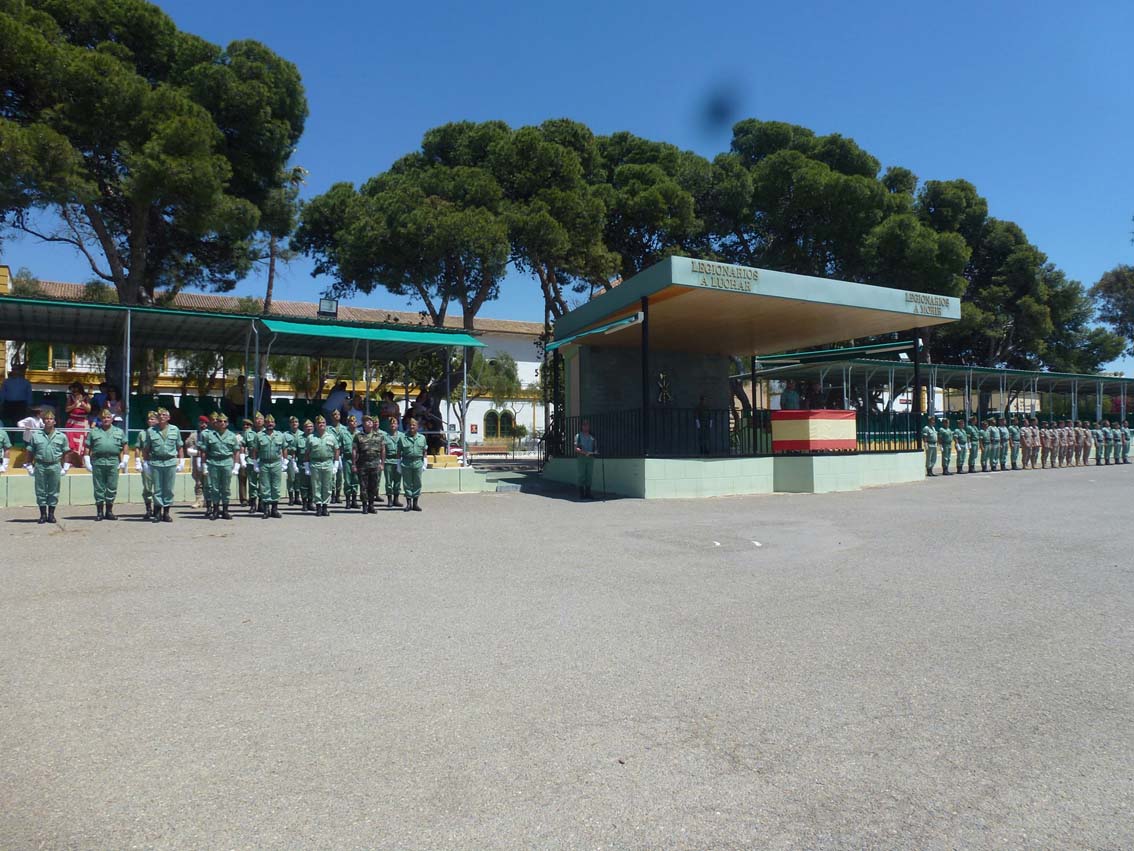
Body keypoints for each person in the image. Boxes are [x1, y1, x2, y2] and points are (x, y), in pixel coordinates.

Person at [25, 408, 68, 523]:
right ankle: (43, 515)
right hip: (40, 465)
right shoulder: (36, 435)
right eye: (46, 419)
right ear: (43, 421)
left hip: (55, 465)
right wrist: (29, 465)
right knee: (40, 490)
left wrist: (66, 466)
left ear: (55, 421)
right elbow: (30, 451)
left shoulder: (61, 436)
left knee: (54, 490)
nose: (49, 421)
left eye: (51, 419)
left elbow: (66, 452)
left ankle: (51, 514)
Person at [143, 407, 184, 523]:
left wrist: (181, 461)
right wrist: (145, 463)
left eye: (164, 415)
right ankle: (157, 513)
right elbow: (146, 448)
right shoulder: (151, 431)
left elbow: (179, 446)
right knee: (158, 489)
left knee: (169, 489)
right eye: (160, 415)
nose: (162, 417)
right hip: (156, 462)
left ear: (168, 417)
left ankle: (166, 513)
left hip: (170, 462)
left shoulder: (175, 430)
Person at [85, 408, 127, 520]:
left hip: (113, 461)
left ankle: (109, 511)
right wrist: (87, 460)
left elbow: (125, 445)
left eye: (108, 417)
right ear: (100, 419)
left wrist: (125, 459)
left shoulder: (119, 432)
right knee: (99, 487)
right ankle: (99, 512)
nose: (106, 419)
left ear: (112, 419)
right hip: (98, 461)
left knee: (112, 487)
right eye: (103, 418)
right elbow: (88, 447)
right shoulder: (94, 432)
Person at [201, 412, 241, 520]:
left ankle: (225, 510)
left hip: (227, 462)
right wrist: (204, 465)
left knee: (226, 488)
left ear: (227, 423)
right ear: (216, 423)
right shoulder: (210, 435)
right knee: (214, 488)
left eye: (224, 421)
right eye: (220, 421)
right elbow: (204, 451)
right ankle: (215, 510)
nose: (222, 423)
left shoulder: (232, 436)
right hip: (213, 462)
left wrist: (236, 465)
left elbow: (236, 451)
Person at [251, 414, 287, 519]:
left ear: (274, 424)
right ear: (265, 424)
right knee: (265, 486)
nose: (270, 424)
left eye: (272, 422)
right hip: (264, 463)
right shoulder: (259, 436)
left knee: (276, 486)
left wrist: (285, 461)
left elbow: (284, 448)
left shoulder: (280, 435)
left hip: (276, 463)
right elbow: (255, 450)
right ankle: (266, 510)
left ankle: (274, 509)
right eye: (267, 422)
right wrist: (255, 463)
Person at [305, 414, 339, 516]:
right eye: (319, 423)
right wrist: (306, 466)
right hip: (315, 463)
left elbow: (336, 450)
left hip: (328, 463)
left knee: (327, 486)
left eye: (323, 423)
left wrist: (336, 464)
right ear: (316, 425)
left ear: (326, 424)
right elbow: (307, 453)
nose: (321, 424)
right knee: (316, 486)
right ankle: (318, 507)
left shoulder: (331, 437)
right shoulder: (311, 437)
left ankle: (325, 507)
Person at [353, 414, 386, 514]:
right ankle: (364, 505)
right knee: (363, 486)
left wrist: (382, 463)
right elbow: (354, 450)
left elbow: (383, 450)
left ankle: (371, 505)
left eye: (371, 421)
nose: (370, 422)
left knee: (373, 486)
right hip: (362, 465)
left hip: (375, 465)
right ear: (363, 424)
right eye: (367, 421)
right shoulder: (358, 436)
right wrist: (354, 464)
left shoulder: (379, 436)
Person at [397, 416, 427, 512]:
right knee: (407, 483)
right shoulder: (403, 438)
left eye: (414, 425)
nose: (412, 427)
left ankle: (415, 504)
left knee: (417, 483)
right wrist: (398, 463)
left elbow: (424, 451)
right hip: (406, 463)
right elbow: (399, 451)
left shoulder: (422, 438)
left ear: (417, 426)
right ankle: (408, 503)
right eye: (410, 425)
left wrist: (425, 462)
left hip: (418, 462)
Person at [136, 410, 158, 519]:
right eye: (149, 419)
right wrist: (137, 461)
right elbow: (137, 447)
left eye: (153, 419)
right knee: (147, 487)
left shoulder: (160, 433)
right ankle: (149, 509)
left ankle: (157, 509)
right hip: (147, 463)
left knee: (158, 487)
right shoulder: (142, 433)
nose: (150, 421)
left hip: (158, 463)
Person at [185, 415, 209, 509]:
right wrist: (197, 452)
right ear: (199, 423)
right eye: (202, 423)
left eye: (205, 423)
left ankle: (208, 500)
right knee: (198, 481)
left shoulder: (210, 434)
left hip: (207, 460)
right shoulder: (194, 435)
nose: (203, 425)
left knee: (208, 481)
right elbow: (188, 446)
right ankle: (198, 500)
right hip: (196, 459)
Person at [242, 412, 265, 514]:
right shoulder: (248, 433)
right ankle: (253, 504)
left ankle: (261, 503)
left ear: (263, 421)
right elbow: (243, 446)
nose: (258, 421)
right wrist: (242, 458)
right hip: (251, 460)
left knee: (263, 483)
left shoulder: (266, 433)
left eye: (260, 419)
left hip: (263, 460)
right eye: (256, 419)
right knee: (252, 483)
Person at [63, 381, 91, 464]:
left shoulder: (86, 398)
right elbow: (67, 409)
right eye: (73, 390)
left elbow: (89, 409)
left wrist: (82, 403)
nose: (74, 392)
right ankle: (70, 460)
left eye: (75, 390)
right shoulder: (70, 397)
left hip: (82, 422)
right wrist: (75, 405)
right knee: (70, 441)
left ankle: (81, 461)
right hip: (72, 422)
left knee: (82, 442)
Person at [328, 409, 350, 504]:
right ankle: (332, 495)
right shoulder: (328, 429)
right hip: (331, 455)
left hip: (342, 455)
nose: (336, 416)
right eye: (334, 414)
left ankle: (338, 495)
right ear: (331, 417)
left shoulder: (345, 429)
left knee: (340, 477)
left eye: (338, 414)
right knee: (332, 477)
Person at [381, 415, 403, 507]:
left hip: (398, 461)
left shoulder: (402, 436)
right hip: (388, 461)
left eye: (395, 423)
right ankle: (389, 500)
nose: (393, 425)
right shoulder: (385, 436)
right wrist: (382, 462)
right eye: (391, 424)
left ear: (398, 425)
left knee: (397, 481)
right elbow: (383, 450)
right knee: (388, 482)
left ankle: (396, 500)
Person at [575, 419, 597, 496]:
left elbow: (595, 447)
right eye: (584, 425)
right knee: (582, 475)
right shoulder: (578, 436)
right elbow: (576, 448)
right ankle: (581, 493)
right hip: (582, 457)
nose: (585, 426)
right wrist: (583, 452)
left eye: (587, 425)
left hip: (590, 457)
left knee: (589, 475)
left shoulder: (592, 436)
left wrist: (595, 452)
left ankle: (588, 493)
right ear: (581, 426)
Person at [296, 419, 314, 511]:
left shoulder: (316, 438)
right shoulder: (299, 439)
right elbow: (294, 452)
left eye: (311, 427)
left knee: (312, 485)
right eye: (307, 427)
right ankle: (304, 503)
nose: (309, 428)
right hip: (302, 464)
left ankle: (310, 502)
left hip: (313, 464)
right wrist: (294, 464)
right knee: (303, 485)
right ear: (304, 428)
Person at [284, 416, 302, 505]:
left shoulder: (302, 434)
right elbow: (283, 447)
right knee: (291, 478)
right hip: (290, 458)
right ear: (290, 424)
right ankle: (291, 498)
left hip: (300, 458)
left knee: (298, 478)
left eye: (296, 422)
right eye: (292, 422)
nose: (294, 423)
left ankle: (297, 497)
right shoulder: (285, 435)